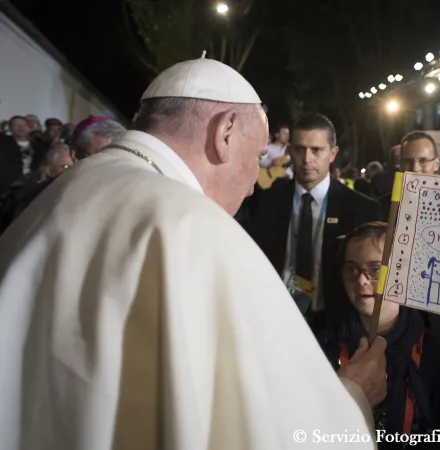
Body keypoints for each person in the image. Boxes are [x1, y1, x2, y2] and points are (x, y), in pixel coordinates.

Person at [0, 57, 387, 449]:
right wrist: (353, 395)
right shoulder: (193, 226)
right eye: (256, 159)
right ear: (226, 131)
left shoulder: (70, 185)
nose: (253, 186)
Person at [317, 222, 440, 449]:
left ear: (403, 274)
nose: (361, 280)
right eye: (352, 269)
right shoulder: (323, 344)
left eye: (375, 269)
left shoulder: (435, 353)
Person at [240, 113, 381, 332]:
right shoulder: (265, 203)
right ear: (290, 152)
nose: (307, 160)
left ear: (332, 154)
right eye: (299, 149)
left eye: (316, 150)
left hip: (336, 324)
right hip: (275, 320)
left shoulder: (361, 208)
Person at [379, 131, 440, 371]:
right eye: (407, 161)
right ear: (398, 165)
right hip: (394, 322)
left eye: (422, 161)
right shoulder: (380, 207)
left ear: (437, 163)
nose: (415, 167)